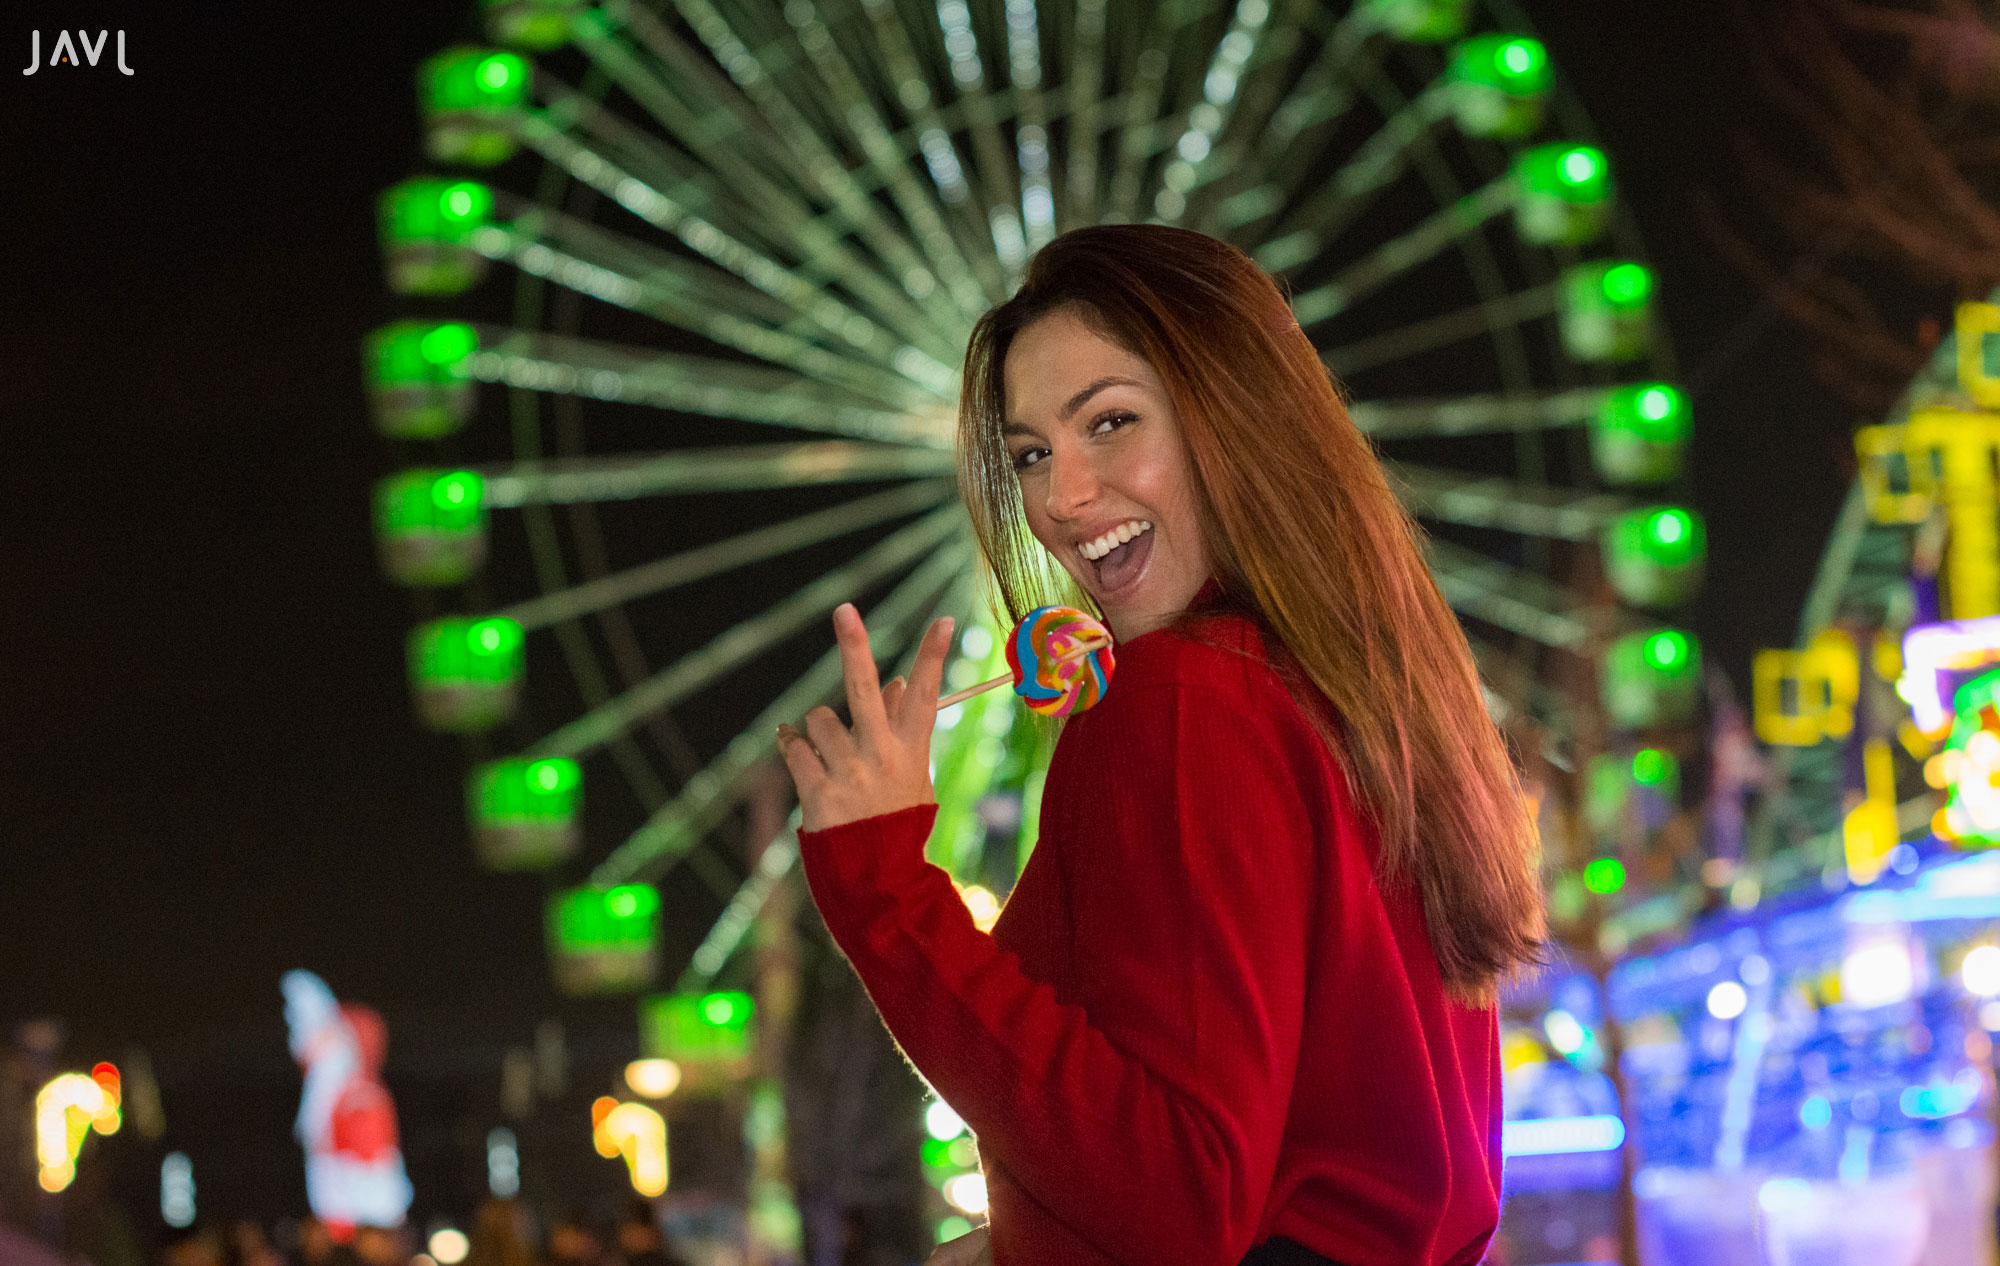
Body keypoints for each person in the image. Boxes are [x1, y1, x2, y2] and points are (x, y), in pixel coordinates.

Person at [774, 224, 1546, 1266]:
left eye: (1109, 424)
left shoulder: (1183, 700)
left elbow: (1177, 1203)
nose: (1060, 500)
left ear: (1231, 418)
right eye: (1032, 455)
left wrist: (885, 896)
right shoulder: (1371, 696)